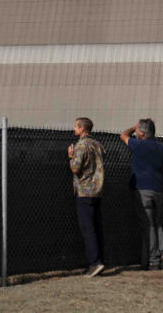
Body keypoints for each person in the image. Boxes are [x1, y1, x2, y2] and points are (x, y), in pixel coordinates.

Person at [121, 118, 163, 270]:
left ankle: (153, 260)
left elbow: (123, 135)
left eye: (138, 131)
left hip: (142, 188)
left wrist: (132, 127)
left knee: (147, 225)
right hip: (158, 188)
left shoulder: (138, 144)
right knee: (157, 222)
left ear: (141, 133)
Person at [68, 117, 107, 277]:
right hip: (97, 190)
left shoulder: (82, 145)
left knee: (87, 228)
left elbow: (75, 168)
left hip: (84, 190)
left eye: (76, 127)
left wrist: (71, 156)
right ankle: (100, 260)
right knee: (97, 227)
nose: (74, 129)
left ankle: (94, 262)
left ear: (82, 129)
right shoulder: (97, 145)